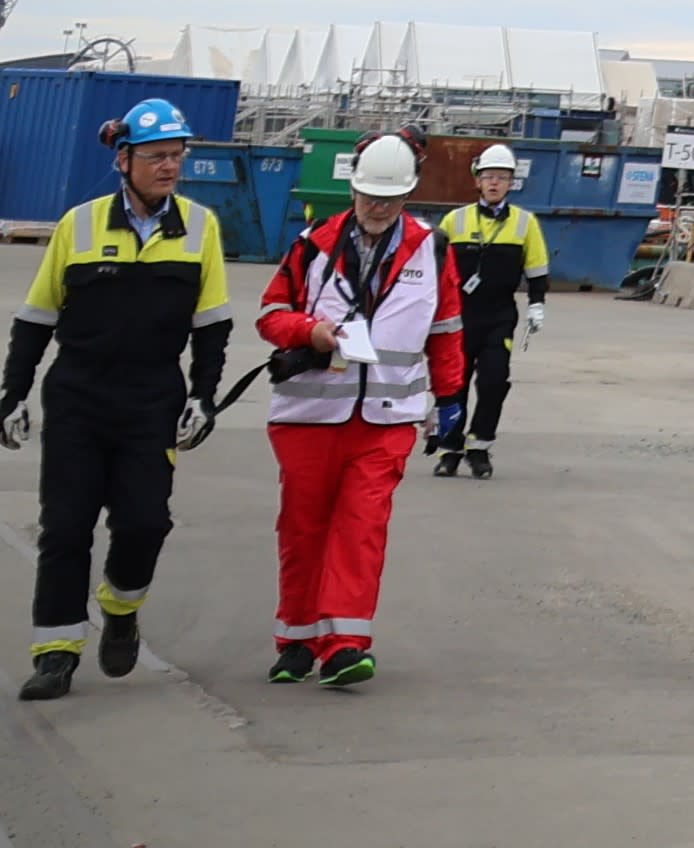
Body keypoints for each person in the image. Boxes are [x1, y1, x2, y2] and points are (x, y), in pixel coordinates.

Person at [4, 100, 234, 702]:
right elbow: (36, 317)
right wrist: (12, 393)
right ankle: (56, 652)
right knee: (65, 527)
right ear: (123, 160)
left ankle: (120, 607)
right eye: (157, 156)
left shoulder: (200, 227)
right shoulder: (78, 225)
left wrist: (204, 396)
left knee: (144, 522)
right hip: (78, 397)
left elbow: (212, 324)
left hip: (152, 400)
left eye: (177, 156)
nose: (169, 167)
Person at [249, 136, 458, 689]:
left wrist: (451, 398)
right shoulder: (313, 244)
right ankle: (296, 641)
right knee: (303, 529)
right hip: (309, 417)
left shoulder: (432, 250)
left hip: (387, 420)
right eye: (369, 196)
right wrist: (309, 331)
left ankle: (344, 645)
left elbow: (446, 328)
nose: (378, 207)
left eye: (389, 199)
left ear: (408, 194)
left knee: (362, 528)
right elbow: (271, 314)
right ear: (352, 189)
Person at [426, 152, 552, 481]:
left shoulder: (525, 222)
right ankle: (449, 450)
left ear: (512, 183)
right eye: (488, 176)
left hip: (499, 316)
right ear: (477, 181)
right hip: (458, 317)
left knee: (494, 381)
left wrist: (537, 304)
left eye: (502, 177)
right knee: (453, 384)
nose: (494, 183)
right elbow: (433, 269)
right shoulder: (454, 220)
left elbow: (537, 268)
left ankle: (479, 448)